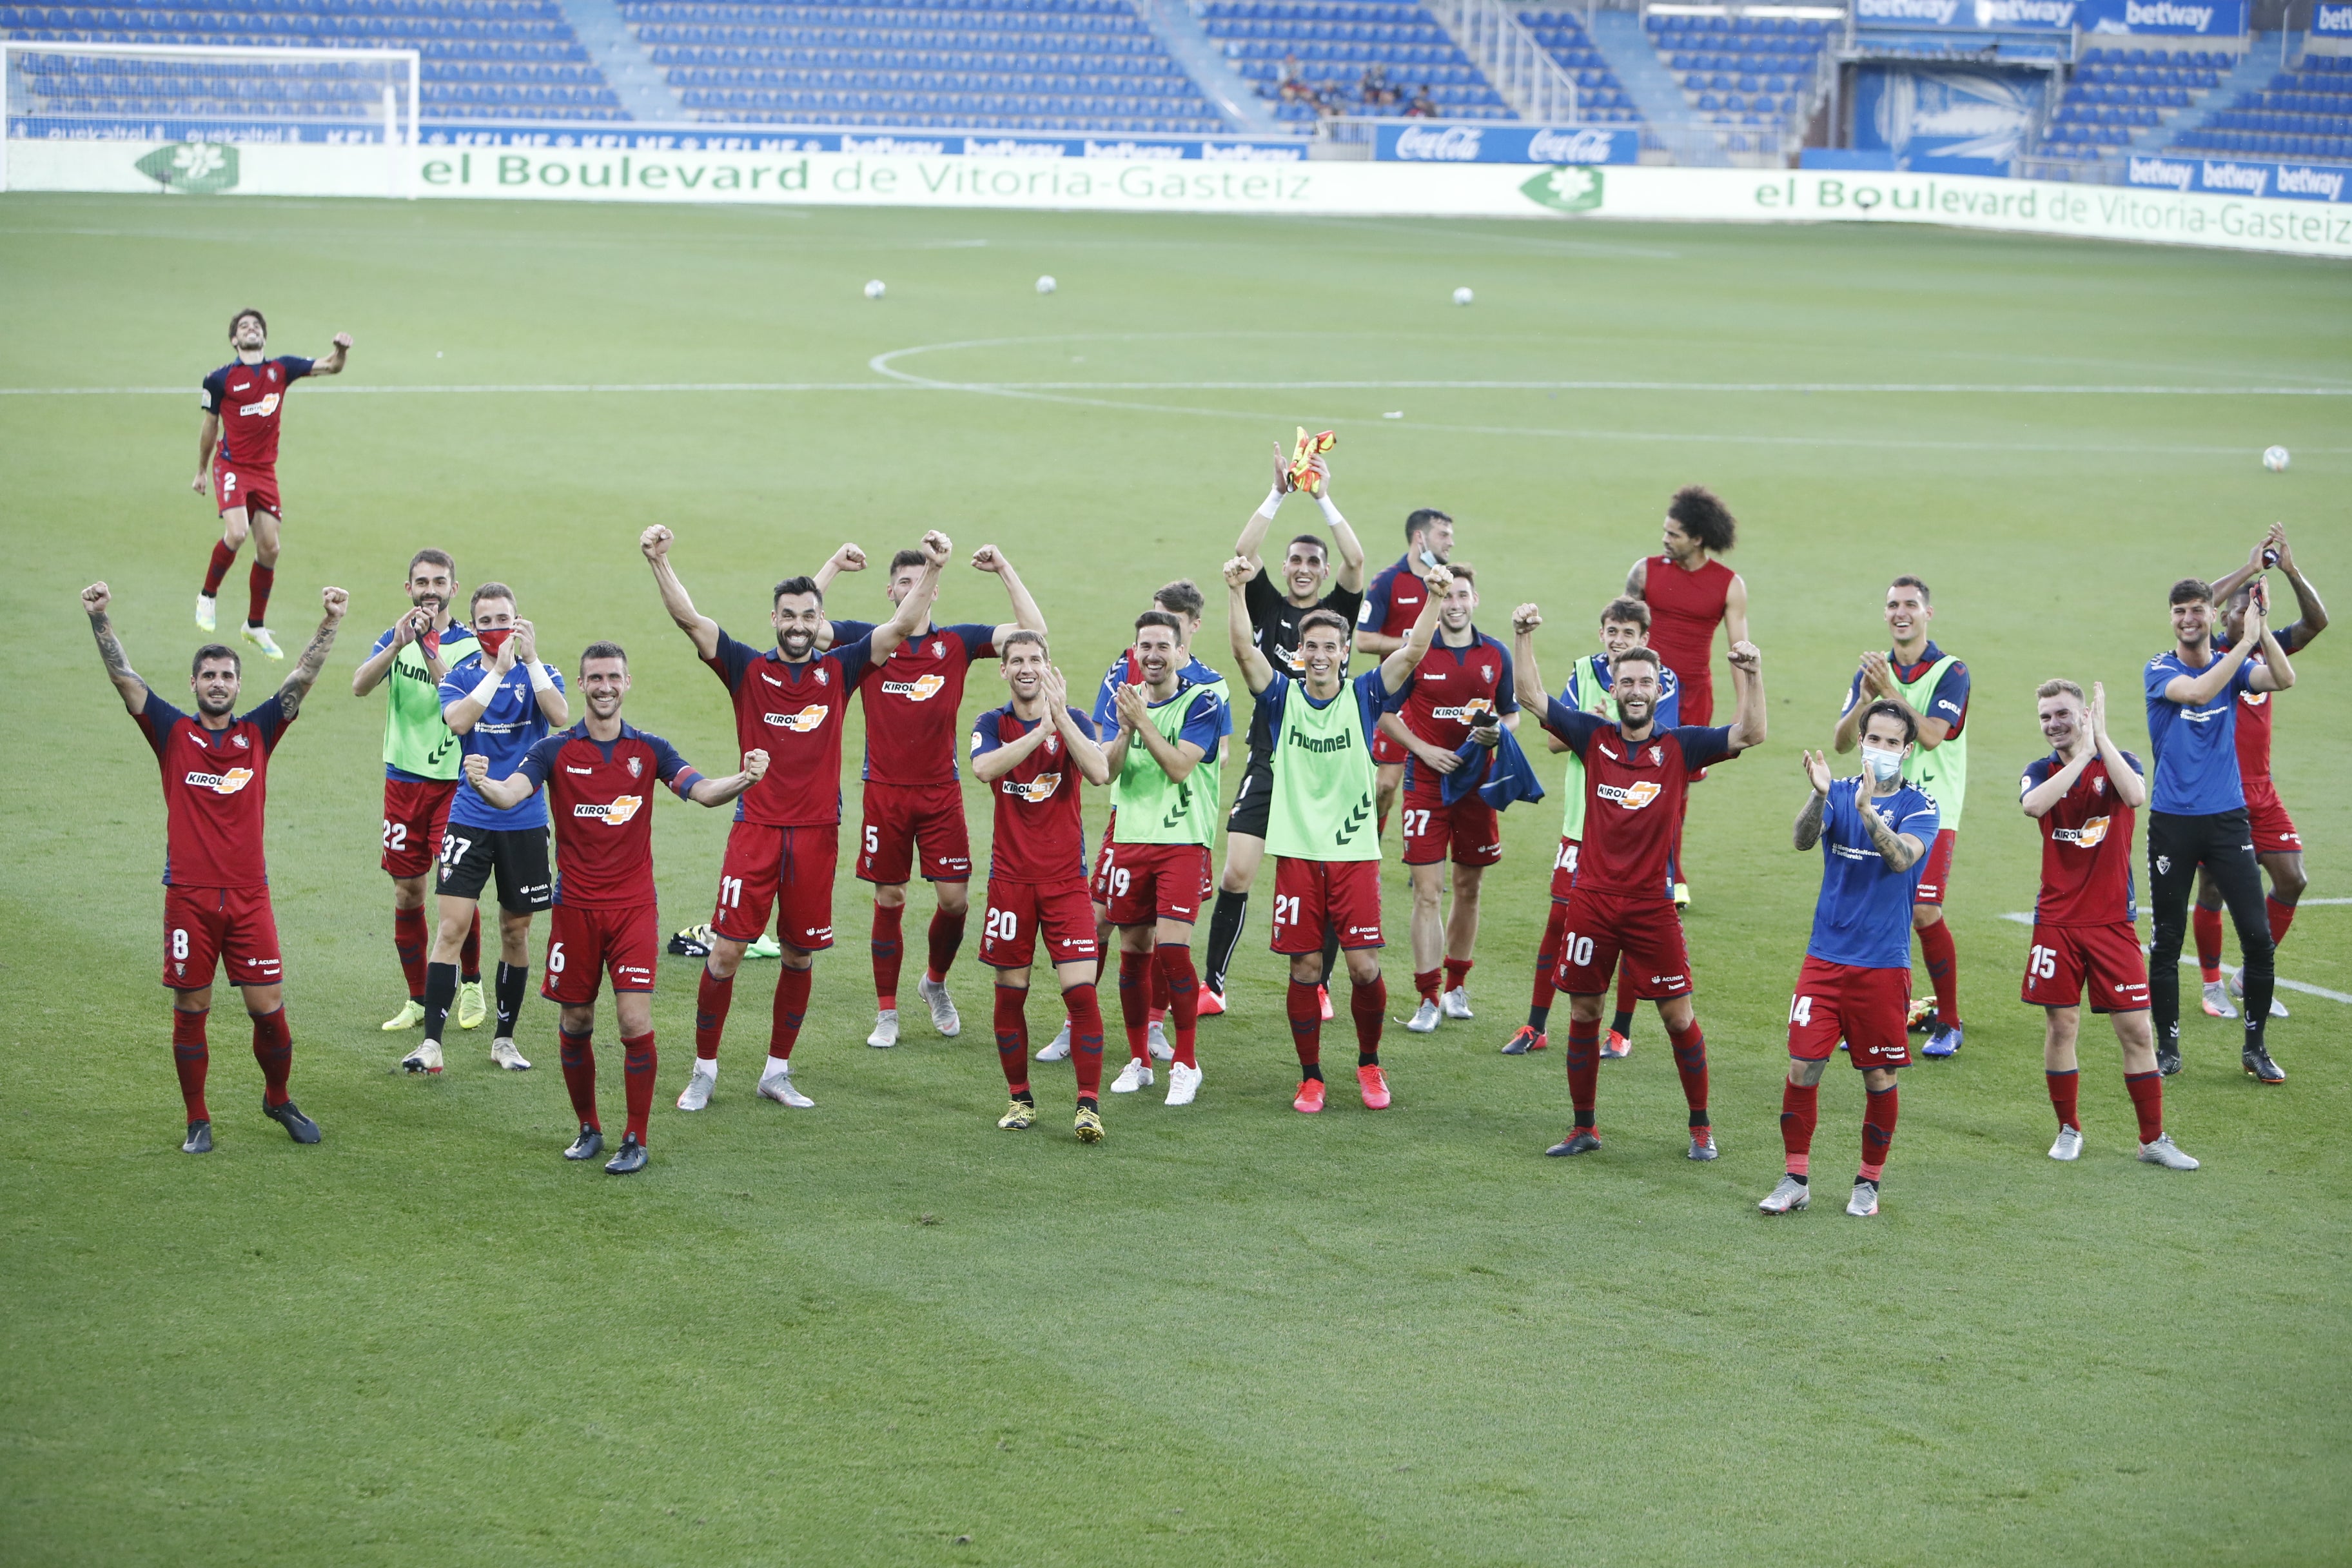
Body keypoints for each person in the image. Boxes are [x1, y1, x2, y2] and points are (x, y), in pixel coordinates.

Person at [640, 525, 943, 1112]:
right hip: (754, 831)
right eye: (789, 615)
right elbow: (691, 621)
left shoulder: (842, 670)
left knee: (799, 955)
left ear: (820, 618)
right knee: (726, 953)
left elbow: (902, 627)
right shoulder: (746, 671)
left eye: (809, 615)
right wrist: (660, 561)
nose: (799, 624)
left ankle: (776, 1071)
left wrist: (933, 567)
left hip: (816, 837)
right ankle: (704, 1070)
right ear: (774, 619)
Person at [465, 642, 765, 1173]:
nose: (605, 687)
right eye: (595, 678)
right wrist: (482, 782)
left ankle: (636, 1138)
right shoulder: (554, 751)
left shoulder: (649, 750)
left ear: (628, 684)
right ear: (581, 685)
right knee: (576, 1019)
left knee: (632, 1020)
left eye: (614, 678)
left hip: (631, 911)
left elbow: (701, 791)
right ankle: (588, 1129)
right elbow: (512, 795)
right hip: (575, 911)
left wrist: (743, 779)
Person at [85, 578, 346, 1153]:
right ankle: (197, 1119)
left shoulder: (258, 734)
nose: (219, 684)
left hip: (250, 896)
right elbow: (125, 681)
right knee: (192, 1007)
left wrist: (329, 622)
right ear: (195, 684)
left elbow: (300, 679)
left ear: (237, 684)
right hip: (190, 897)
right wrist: (100, 619)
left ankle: (278, 1098)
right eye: (209, 676)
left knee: (268, 1009)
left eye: (228, 676)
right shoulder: (173, 733)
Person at [1511, 602, 1767, 1162]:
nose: (1635, 689)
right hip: (1593, 902)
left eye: (1645, 682)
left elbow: (1752, 732)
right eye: (1626, 680)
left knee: (1678, 1017)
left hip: (1653, 904)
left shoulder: (1680, 746)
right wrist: (1523, 636)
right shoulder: (1592, 736)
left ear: (1658, 690)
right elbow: (1531, 699)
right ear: (1614, 686)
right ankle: (1584, 1128)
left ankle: (1701, 1128)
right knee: (1583, 1012)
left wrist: (1751, 674)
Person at [808, 541, 1048, 1050]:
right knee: (890, 896)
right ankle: (887, 1012)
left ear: (934, 590)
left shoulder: (958, 643)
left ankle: (934, 981)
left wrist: (1005, 568)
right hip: (885, 794)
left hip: (941, 792)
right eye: (903, 582)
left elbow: (1034, 633)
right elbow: (804, 626)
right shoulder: (865, 641)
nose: (912, 590)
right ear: (890, 589)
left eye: (921, 583)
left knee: (955, 901)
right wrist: (831, 566)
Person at [1224, 559, 1444, 1112]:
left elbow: (1413, 653)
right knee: (1306, 968)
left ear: (1345, 651)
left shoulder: (1366, 695)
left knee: (1363, 967)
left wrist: (1436, 600)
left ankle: (1370, 1064)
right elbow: (1245, 654)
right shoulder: (1282, 698)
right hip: (1299, 855)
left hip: (1353, 854)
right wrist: (1235, 591)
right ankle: (1311, 1077)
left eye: (1330, 646)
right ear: (1301, 653)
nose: (1320, 655)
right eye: (1312, 647)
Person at [1202, 446, 1366, 1015]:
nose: (1300, 568)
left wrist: (1322, 498)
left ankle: (1319, 985)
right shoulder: (1269, 606)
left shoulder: (1336, 616)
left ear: (1321, 572)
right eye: (1294, 559)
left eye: (1310, 562)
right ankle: (1213, 987)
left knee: (1323, 880)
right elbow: (1244, 555)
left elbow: (1357, 559)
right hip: (1270, 757)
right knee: (1238, 870)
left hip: (1325, 764)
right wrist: (1277, 491)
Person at [1042, 580, 1231, 1064]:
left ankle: (1153, 1028)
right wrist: (1132, 732)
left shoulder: (1210, 687)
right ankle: (1074, 1024)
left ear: (1188, 631)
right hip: (1127, 822)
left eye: (1166, 629)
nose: (1150, 648)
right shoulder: (1120, 675)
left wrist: (1168, 735)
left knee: (1163, 939)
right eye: (1146, 635)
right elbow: (1108, 755)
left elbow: (1218, 754)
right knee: (1100, 921)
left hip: (1182, 828)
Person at [1760, 710, 1939, 1219]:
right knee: (1802, 1066)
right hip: (1824, 959)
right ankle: (1795, 1178)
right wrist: (1819, 795)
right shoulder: (1836, 789)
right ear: (1861, 742)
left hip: (1883, 965)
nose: (1881, 748)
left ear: (1907, 750)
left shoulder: (1920, 805)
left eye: (1892, 742)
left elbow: (1903, 858)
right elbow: (1800, 839)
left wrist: (1867, 811)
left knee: (1879, 1076)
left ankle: (1868, 1183)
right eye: (1873, 739)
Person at [2019, 680, 2197, 1171]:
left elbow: (2136, 795)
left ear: (2085, 714)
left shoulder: (2122, 761)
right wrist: (2082, 752)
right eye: (2045, 717)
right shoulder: (2040, 771)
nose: (2053, 724)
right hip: (2056, 921)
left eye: (2062, 714)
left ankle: (2153, 1139)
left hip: (2112, 921)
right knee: (2062, 1025)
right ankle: (2069, 1128)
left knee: (2138, 1031)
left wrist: (2102, 741)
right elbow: (2035, 806)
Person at [403, 582, 569, 1076]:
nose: (497, 630)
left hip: (524, 822)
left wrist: (530, 661)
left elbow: (560, 717)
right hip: (470, 819)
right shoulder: (458, 677)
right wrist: (497, 672)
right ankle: (431, 1045)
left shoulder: (546, 674)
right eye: (487, 622)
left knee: (515, 934)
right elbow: (456, 721)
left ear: (520, 622)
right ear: (474, 629)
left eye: (505, 620)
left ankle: (504, 1040)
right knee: (451, 928)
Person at [1504, 596, 1678, 1059]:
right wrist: (1599, 726)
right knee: (1559, 921)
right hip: (1582, 822)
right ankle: (1536, 1025)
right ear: (1602, 634)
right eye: (1612, 632)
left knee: (1630, 933)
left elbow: (1663, 739)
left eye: (1629, 634)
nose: (1619, 641)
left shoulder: (1663, 679)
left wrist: (1603, 724)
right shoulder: (1582, 672)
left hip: (1639, 831)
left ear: (1645, 639)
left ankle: (1620, 1031)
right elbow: (1552, 740)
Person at [2143, 576, 2295, 1082]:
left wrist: (2263, 628)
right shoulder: (2159, 668)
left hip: (2229, 821)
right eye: (2180, 611)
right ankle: (2166, 1048)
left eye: (2197, 610)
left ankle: (2256, 1048)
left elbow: (2284, 678)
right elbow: (2199, 690)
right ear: (2173, 618)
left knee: (2257, 938)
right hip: (2172, 822)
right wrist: (2245, 643)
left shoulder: (2236, 664)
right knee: (2166, 940)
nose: (2188, 619)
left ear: (2211, 615)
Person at [970, 632, 1114, 1142]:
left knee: (1081, 993)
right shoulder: (991, 724)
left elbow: (1098, 772)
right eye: (1017, 661)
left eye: (1035, 659)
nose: (1026, 667)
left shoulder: (1074, 718)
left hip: (1065, 883)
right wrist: (1039, 733)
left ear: (1048, 668)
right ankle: (1020, 1098)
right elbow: (984, 768)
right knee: (1011, 994)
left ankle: (1088, 1106)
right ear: (1003, 671)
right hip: (1009, 883)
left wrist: (1060, 721)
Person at [1830, 576, 1970, 1059]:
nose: (1900, 612)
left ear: (1929, 612)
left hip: (1932, 809)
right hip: (1876, 804)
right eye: (1892, 605)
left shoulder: (1952, 672)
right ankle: (1870, 1017)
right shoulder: (1872, 671)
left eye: (1910, 604)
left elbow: (1931, 735)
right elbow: (1843, 741)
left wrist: (1889, 689)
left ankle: (1949, 1022)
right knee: (1875, 910)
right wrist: (1869, 698)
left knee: (1924, 911)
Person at [351, 549, 485, 1037]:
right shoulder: (395, 636)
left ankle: (471, 983)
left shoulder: (471, 646)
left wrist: (427, 644)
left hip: (454, 783)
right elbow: (360, 686)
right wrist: (395, 647)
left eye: (439, 581)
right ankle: (418, 997)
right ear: (408, 588)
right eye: (422, 581)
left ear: (454, 587)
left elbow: (454, 695)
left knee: (457, 892)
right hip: (403, 782)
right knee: (408, 894)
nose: (430, 589)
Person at [2194, 524, 2327, 1021]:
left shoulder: (2262, 651)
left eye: (2248, 608)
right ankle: (2211, 987)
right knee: (2212, 890)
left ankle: (2252, 977)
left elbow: (2317, 623)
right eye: (2231, 610)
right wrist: (2251, 568)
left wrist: (2291, 572)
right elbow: (2200, 599)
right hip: (2217, 793)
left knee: (2292, 879)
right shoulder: (2203, 656)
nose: (2238, 613)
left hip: (2261, 793)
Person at [1381, 564, 1516, 1033]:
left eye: (1463, 595)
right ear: (1435, 602)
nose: (1456, 605)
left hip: (1479, 787)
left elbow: (1512, 715)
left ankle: (1458, 986)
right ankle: (1427, 996)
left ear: (1475, 599)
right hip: (1425, 785)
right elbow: (1383, 713)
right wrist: (1423, 749)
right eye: (1448, 597)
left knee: (1469, 887)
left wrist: (1495, 731)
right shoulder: (1416, 653)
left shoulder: (1495, 654)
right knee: (1426, 892)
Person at [1102, 609, 1228, 1106]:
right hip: (1131, 839)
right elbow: (1109, 774)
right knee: (1133, 953)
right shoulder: (1128, 703)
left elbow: (1179, 768)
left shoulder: (1204, 701)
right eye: (1144, 647)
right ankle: (1139, 1060)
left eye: (1162, 646)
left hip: (1182, 841)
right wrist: (1124, 730)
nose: (1152, 655)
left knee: (1173, 952)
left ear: (1180, 651)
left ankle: (1186, 1063)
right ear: (1136, 652)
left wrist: (1141, 721)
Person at [190, 307, 350, 656]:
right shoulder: (219, 379)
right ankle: (207, 597)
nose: (251, 330)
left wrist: (341, 350)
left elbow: (331, 366)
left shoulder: (281, 369)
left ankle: (255, 626)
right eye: (244, 327)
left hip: (264, 472)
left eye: (256, 326)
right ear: (234, 339)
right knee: (236, 533)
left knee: (271, 548)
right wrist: (202, 470)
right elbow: (209, 427)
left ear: (264, 335)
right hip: (232, 466)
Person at [1624, 485, 1747, 906]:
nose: (1665, 539)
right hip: (1643, 694)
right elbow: (1621, 634)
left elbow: (1738, 652)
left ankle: (1669, 873)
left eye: (1674, 533)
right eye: (1665, 531)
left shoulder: (1729, 586)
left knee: (1676, 791)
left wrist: (1745, 706)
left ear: (1698, 538)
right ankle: (1643, 869)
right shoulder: (1644, 572)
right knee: (1634, 780)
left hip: (1693, 699)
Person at [1356, 505, 1455, 841]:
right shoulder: (1388, 582)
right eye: (1443, 535)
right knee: (1385, 784)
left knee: (1439, 775)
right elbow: (1364, 640)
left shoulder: (1448, 582)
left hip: (1436, 694)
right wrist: (1410, 644)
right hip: (1396, 695)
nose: (1450, 543)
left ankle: (1426, 859)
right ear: (1420, 538)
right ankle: (1372, 842)